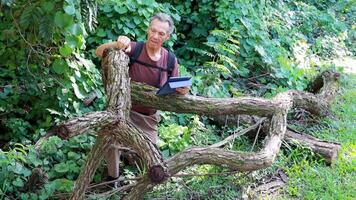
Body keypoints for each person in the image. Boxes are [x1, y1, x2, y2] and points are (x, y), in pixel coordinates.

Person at [95, 13, 189, 186]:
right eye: (153, 30)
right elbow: (99, 52)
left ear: (167, 37)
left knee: (151, 156)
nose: (155, 36)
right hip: (124, 110)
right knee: (110, 141)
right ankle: (112, 179)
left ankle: (140, 182)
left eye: (161, 33)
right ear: (148, 29)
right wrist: (117, 44)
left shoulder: (170, 60)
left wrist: (182, 91)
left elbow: (173, 88)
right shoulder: (134, 48)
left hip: (148, 118)